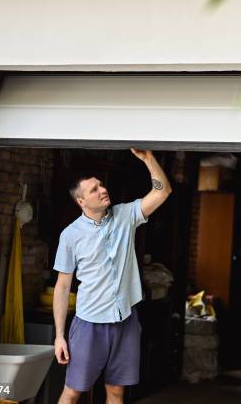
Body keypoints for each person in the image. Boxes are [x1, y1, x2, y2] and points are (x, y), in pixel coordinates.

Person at [52, 149, 172, 404]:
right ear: (81, 201)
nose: (102, 190)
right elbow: (62, 287)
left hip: (125, 319)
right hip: (89, 324)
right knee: (73, 391)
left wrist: (148, 159)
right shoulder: (70, 235)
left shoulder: (125, 216)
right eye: (94, 189)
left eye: (101, 185)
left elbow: (162, 192)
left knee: (116, 391)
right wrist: (60, 335)